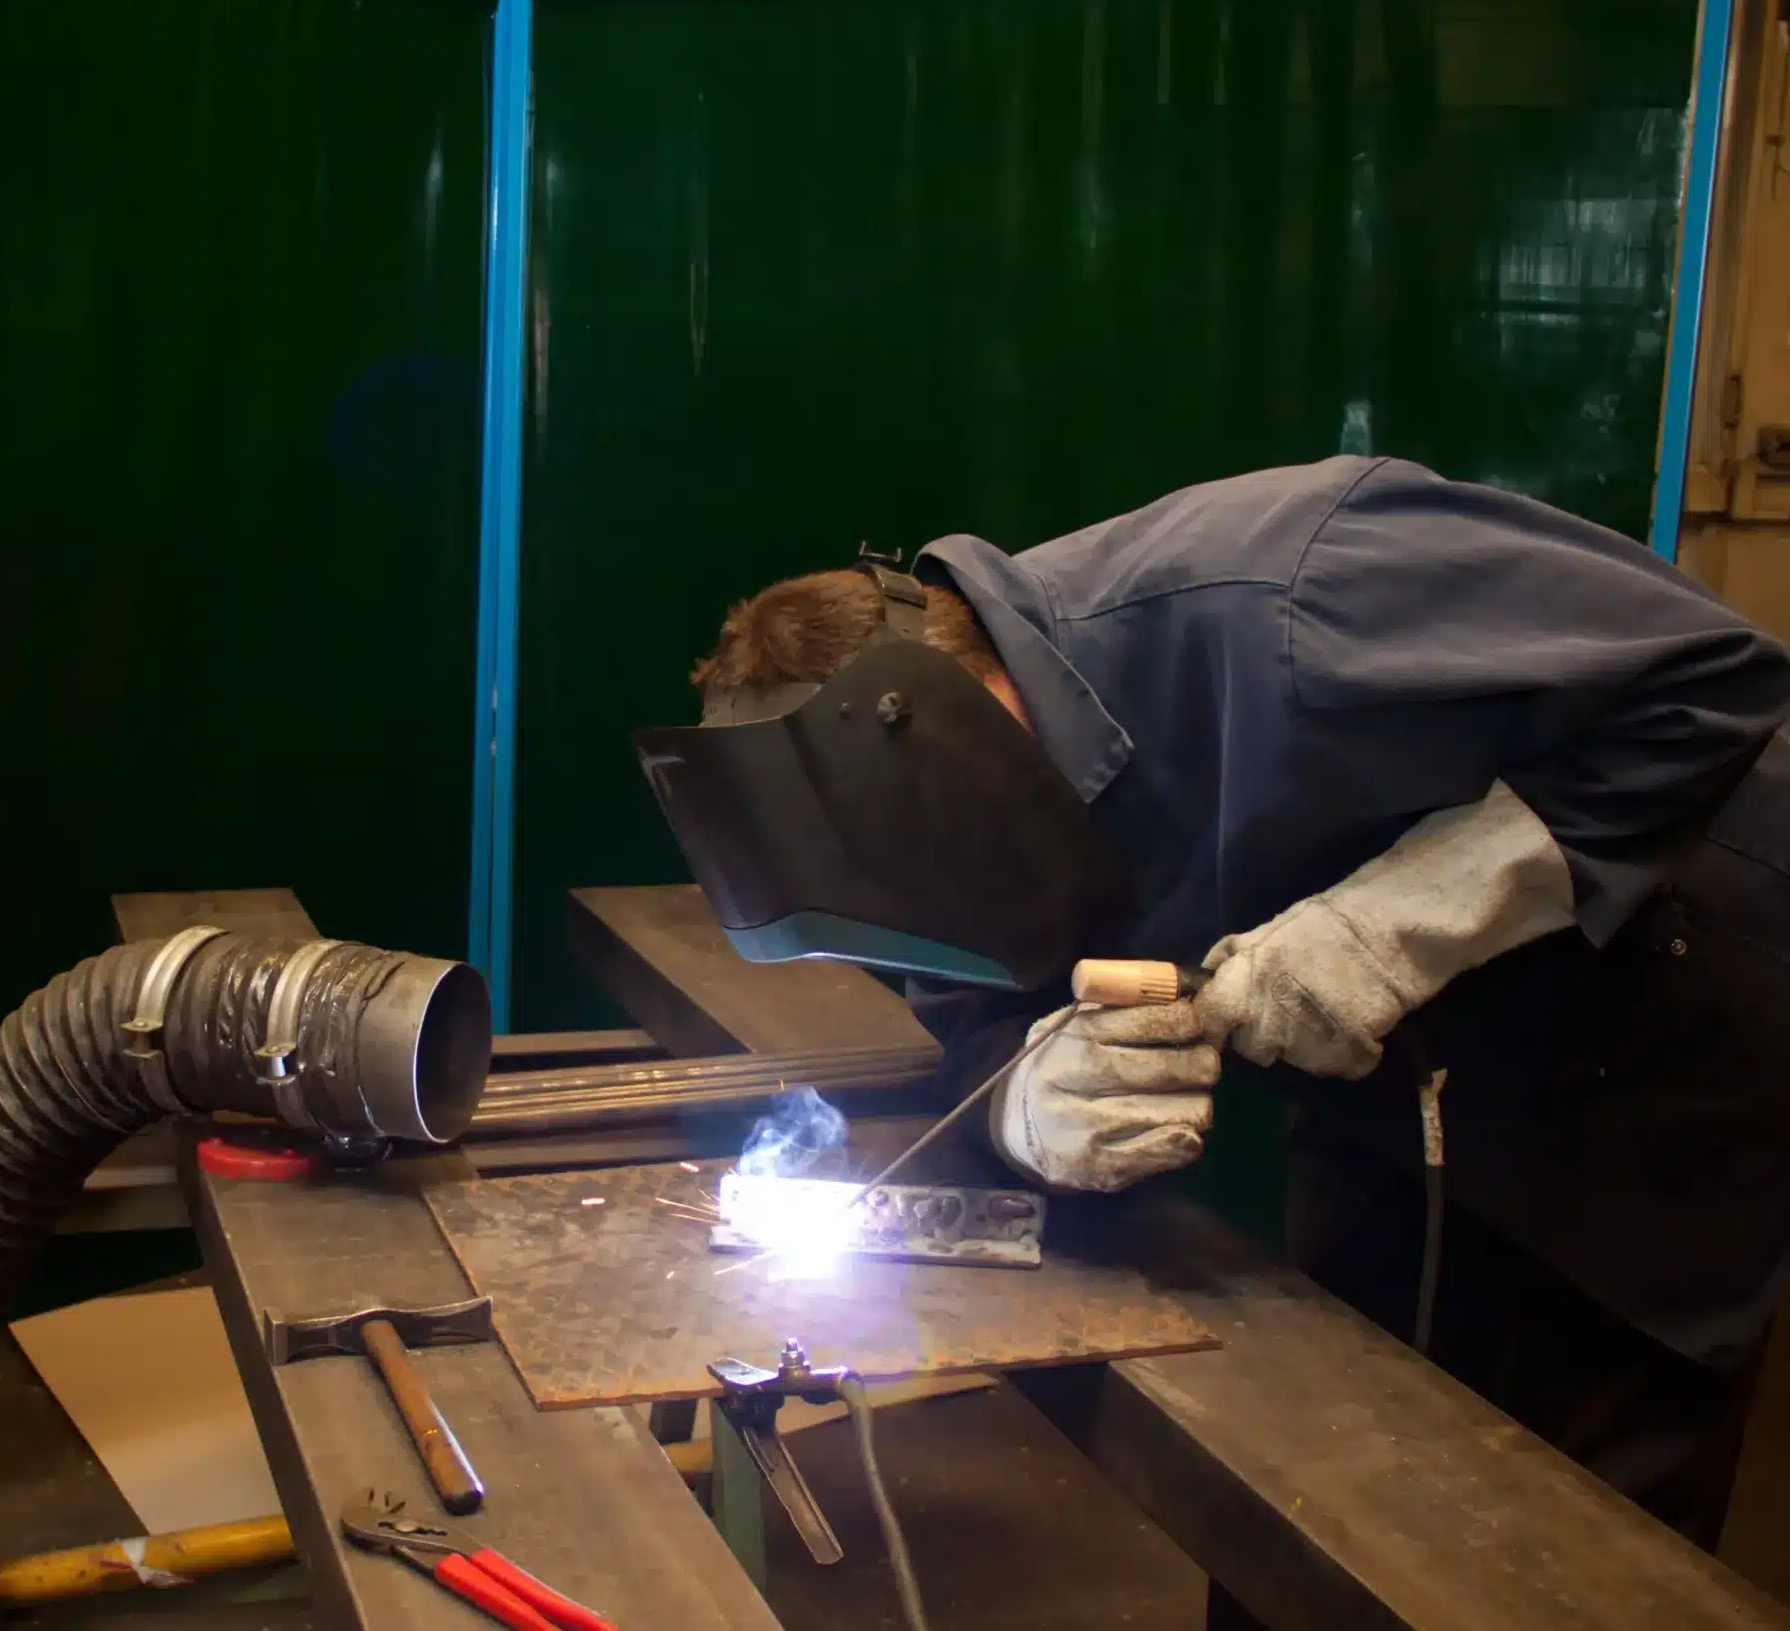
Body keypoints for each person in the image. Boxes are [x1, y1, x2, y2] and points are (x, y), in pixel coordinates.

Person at [655, 454, 1790, 1547]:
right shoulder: (917, 814)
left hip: (1650, 1044)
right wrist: (1028, 1100)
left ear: (948, 718)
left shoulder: (1292, 586)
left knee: (1574, 1532)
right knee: (1328, 1473)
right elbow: (970, 1006)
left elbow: (1719, 681)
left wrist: (1405, 920)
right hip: (1388, 1074)